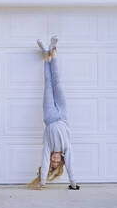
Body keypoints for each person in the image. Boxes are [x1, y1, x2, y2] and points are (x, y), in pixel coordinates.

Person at [30, 36, 80, 190]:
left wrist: (42, 182)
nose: (55, 160)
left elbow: (43, 161)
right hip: (63, 114)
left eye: (54, 162)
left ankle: (46, 54)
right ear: (62, 161)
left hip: (50, 117)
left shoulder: (48, 146)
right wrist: (73, 184)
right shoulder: (67, 148)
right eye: (57, 163)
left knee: (48, 84)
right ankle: (54, 51)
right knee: (57, 82)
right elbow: (71, 165)